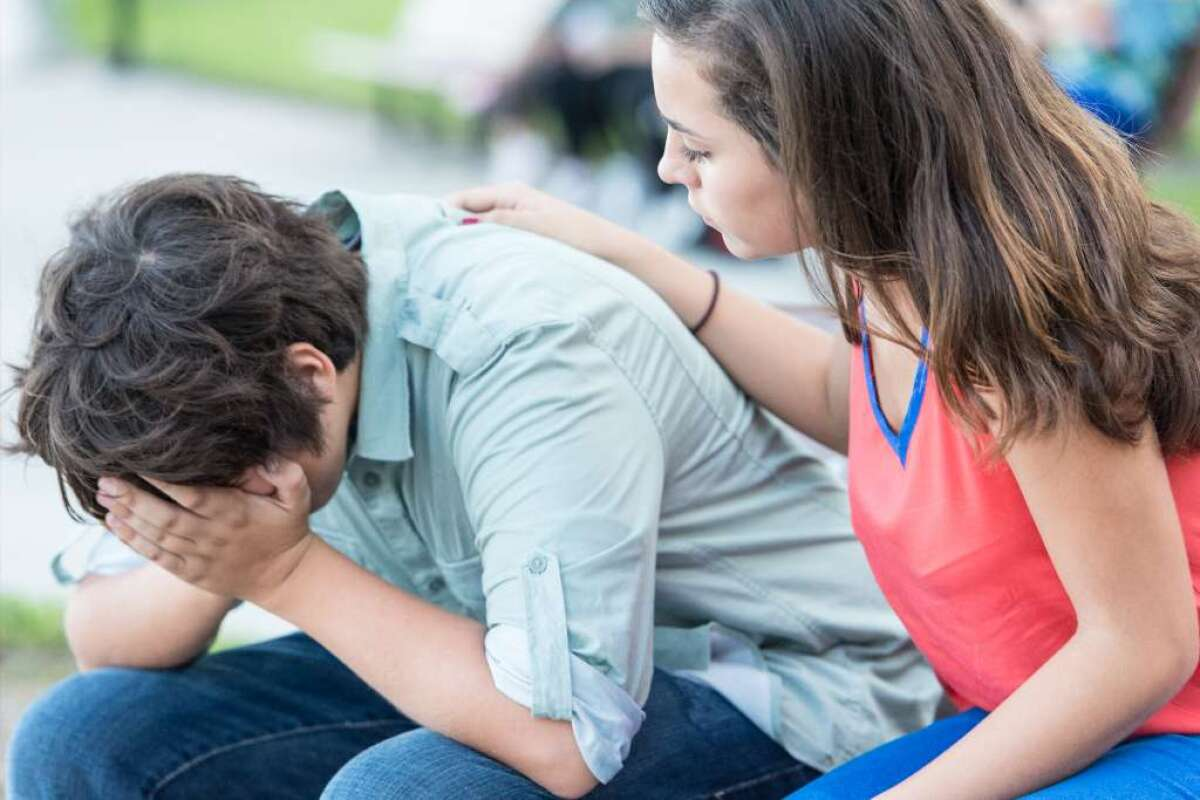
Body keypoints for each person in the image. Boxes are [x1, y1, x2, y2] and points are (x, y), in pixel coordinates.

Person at [450, 0, 1200, 796]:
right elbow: (856, 404)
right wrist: (629, 255)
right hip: (1055, 711)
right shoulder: (900, 262)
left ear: (822, 144)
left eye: (699, 145)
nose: (671, 168)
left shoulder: (1022, 319)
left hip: (1163, 724)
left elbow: (1141, 648)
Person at [4, 174, 942, 799]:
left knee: (402, 795)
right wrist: (219, 548)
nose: (208, 508)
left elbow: (571, 742)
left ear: (310, 376)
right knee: (82, 739)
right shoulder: (197, 333)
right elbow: (104, 639)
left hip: (770, 684)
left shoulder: (519, 346)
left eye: (221, 483)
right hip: (487, 649)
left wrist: (281, 571)